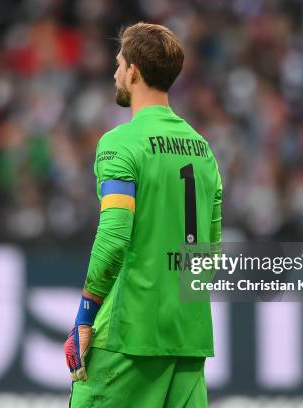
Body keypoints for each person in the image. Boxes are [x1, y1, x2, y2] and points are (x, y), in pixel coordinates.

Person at [64, 22, 222, 407]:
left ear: (133, 70)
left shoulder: (121, 144)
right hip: (187, 337)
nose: (115, 72)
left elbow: (114, 237)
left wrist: (85, 315)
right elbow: (209, 253)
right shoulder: (203, 152)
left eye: (119, 63)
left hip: (128, 337)